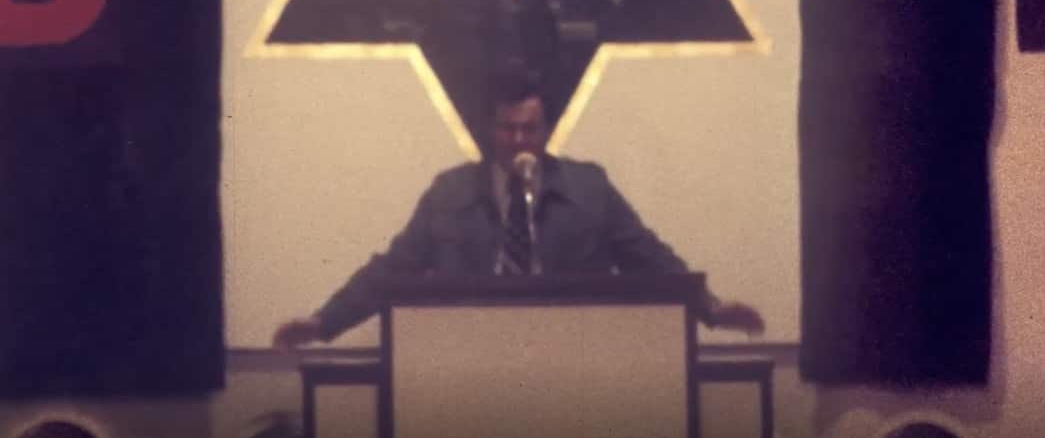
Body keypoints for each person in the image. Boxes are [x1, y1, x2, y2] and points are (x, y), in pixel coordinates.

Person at [272, 72, 764, 347]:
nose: (520, 140)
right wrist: (324, 321)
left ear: (547, 129)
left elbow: (647, 256)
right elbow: (393, 268)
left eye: (530, 128)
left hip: (576, 357)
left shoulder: (588, 187)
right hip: (472, 358)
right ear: (491, 130)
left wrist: (712, 310)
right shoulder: (450, 193)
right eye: (509, 128)